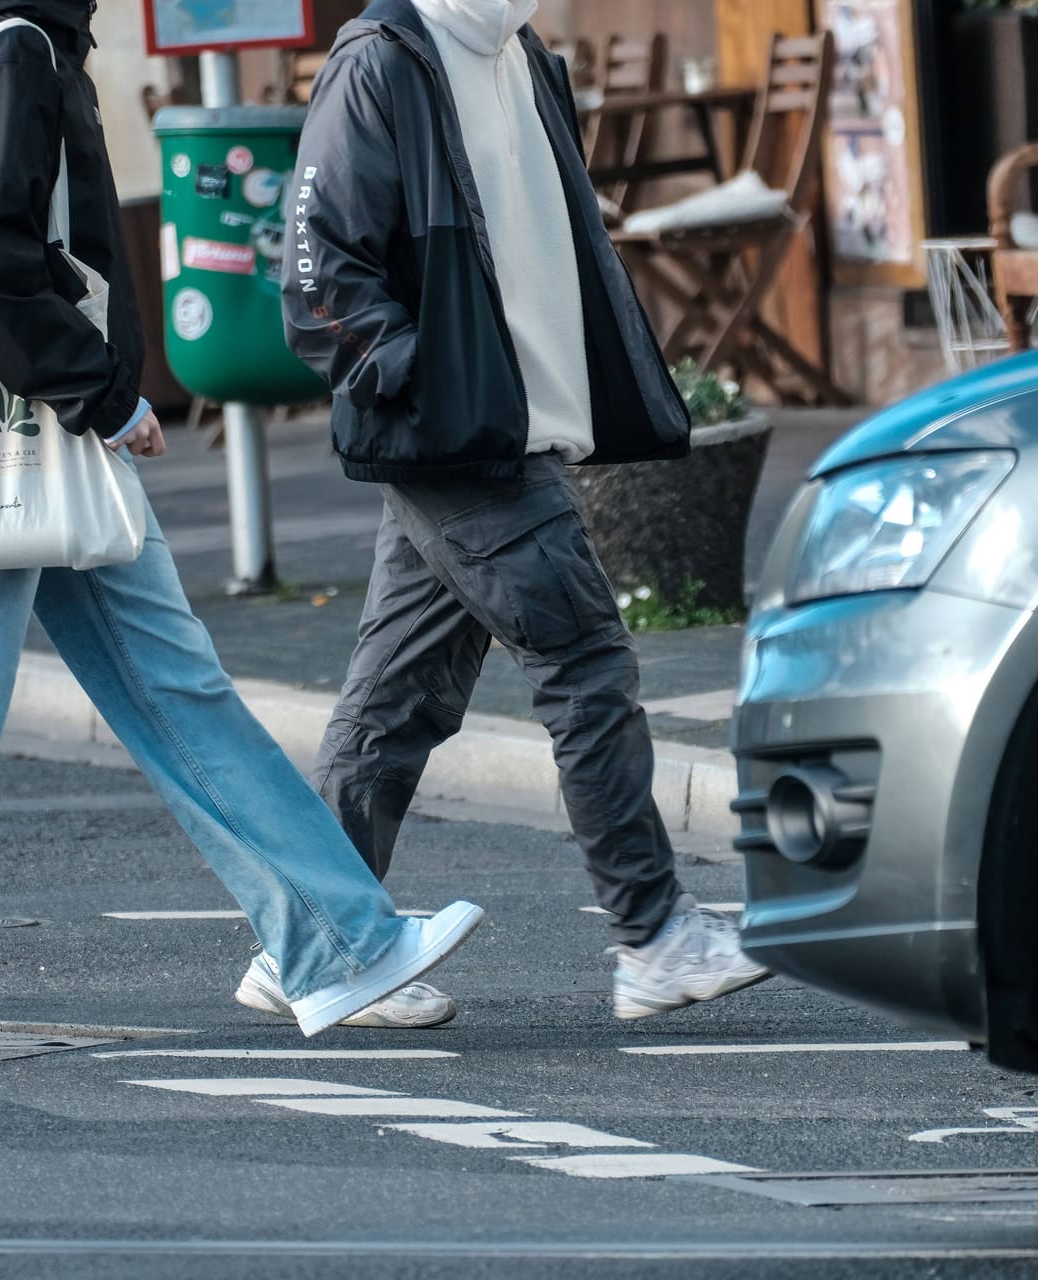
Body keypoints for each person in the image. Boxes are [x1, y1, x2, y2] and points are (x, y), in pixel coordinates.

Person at [0, 0, 482, 1062]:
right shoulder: (14, 48)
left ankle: (337, 943)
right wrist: (103, 396)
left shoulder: (6, 45)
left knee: (176, 691)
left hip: (30, 431)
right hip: (18, 433)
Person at [269, 0, 769, 1026]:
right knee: (586, 661)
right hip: (462, 440)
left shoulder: (523, 56)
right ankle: (656, 934)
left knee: (397, 699)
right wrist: (432, 383)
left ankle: (313, 944)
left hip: (508, 425)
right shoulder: (382, 63)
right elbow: (316, 270)